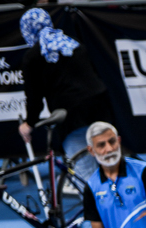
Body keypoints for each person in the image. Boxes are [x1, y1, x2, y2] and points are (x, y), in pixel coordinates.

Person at [17, 7, 112, 166]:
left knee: (86, 170)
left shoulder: (32, 57)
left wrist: (29, 124)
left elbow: (34, 97)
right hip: (101, 107)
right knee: (109, 161)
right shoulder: (72, 43)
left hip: (72, 116)